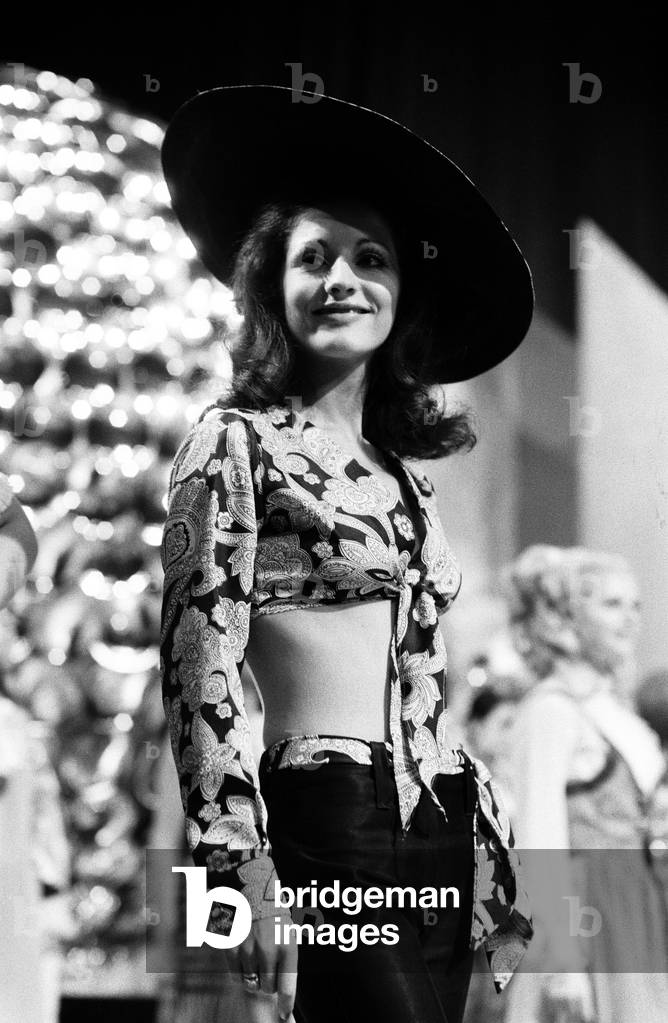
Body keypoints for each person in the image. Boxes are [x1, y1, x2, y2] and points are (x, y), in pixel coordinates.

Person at [159, 84, 534, 1023]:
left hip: (446, 819)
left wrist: (491, 851)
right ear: (269, 282)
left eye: (372, 260)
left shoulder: (405, 474)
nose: (343, 280)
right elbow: (195, 663)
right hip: (323, 818)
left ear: (402, 292)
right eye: (314, 257)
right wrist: (229, 865)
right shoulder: (230, 441)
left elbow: (428, 680)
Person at [502, 544, 668, 1023]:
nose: (630, 619)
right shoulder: (551, 710)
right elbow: (541, 842)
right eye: (611, 605)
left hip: (639, 910)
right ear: (568, 618)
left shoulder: (613, 711)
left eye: (635, 605)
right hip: (592, 918)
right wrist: (560, 965)